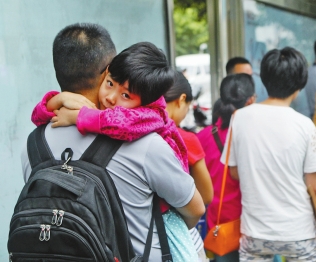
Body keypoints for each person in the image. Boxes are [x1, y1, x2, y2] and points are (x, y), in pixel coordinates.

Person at [22, 23, 205, 262]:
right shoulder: (146, 145)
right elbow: (195, 209)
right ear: (108, 70)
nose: (112, 97)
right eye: (111, 83)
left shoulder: (34, 144)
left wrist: (59, 103)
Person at [222, 47, 316, 262]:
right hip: (299, 230)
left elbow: (233, 172)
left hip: (255, 231)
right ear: (299, 85)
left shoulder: (239, 118)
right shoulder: (305, 126)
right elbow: (315, 188)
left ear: (265, 79)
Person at [197, 73, 256, 262]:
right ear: (251, 100)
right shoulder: (255, 136)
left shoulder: (204, 136)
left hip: (221, 224)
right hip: (254, 223)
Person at [163, 71, 213, 262]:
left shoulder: (128, 131)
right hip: (182, 237)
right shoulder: (185, 139)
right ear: (181, 99)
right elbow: (206, 195)